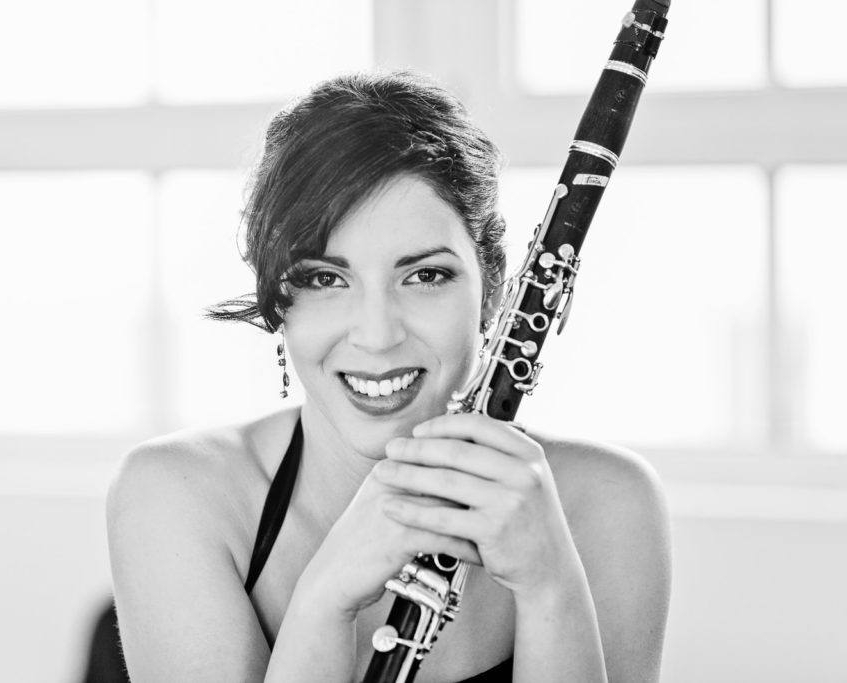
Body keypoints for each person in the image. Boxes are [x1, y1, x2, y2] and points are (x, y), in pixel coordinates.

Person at [106, 71, 671, 683]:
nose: (376, 336)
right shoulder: (176, 495)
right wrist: (324, 600)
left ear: (494, 291)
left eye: (425, 276)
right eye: (325, 278)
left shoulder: (610, 503)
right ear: (277, 300)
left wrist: (549, 587)